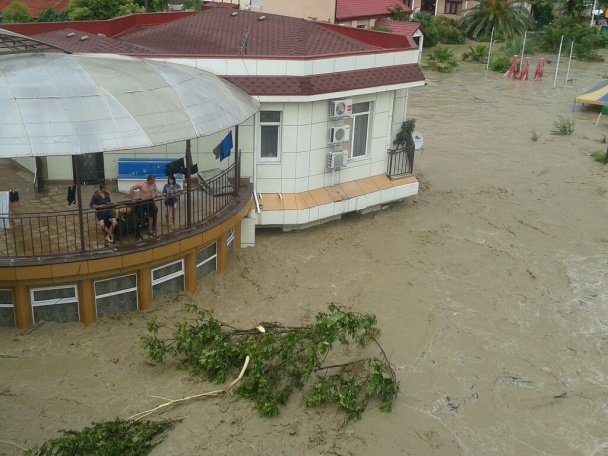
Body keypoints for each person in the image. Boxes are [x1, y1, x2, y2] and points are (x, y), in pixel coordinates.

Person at [89, 183, 117, 247]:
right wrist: (99, 206)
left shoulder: (107, 193)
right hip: (100, 211)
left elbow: (109, 201)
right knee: (102, 225)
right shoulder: (95, 195)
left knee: (115, 222)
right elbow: (91, 205)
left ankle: (107, 236)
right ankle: (111, 235)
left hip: (107, 210)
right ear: (102, 189)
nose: (107, 190)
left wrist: (113, 203)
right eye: (106, 189)